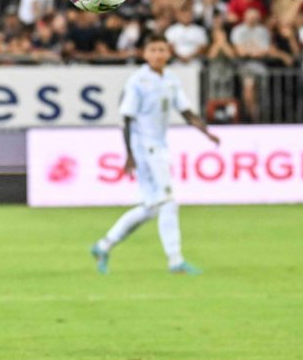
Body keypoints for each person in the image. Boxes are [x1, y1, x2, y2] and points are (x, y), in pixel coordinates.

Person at [90, 34, 219, 275]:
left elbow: (187, 112)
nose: (158, 54)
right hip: (145, 147)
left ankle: (103, 246)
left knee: (151, 207)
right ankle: (175, 261)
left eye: (162, 49)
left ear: (168, 52)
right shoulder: (137, 81)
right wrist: (129, 154)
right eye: (153, 50)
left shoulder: (171, 80)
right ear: (145, 53)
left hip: (158, 145)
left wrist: (206, 132)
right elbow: (126, 118)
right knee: (168, 201)